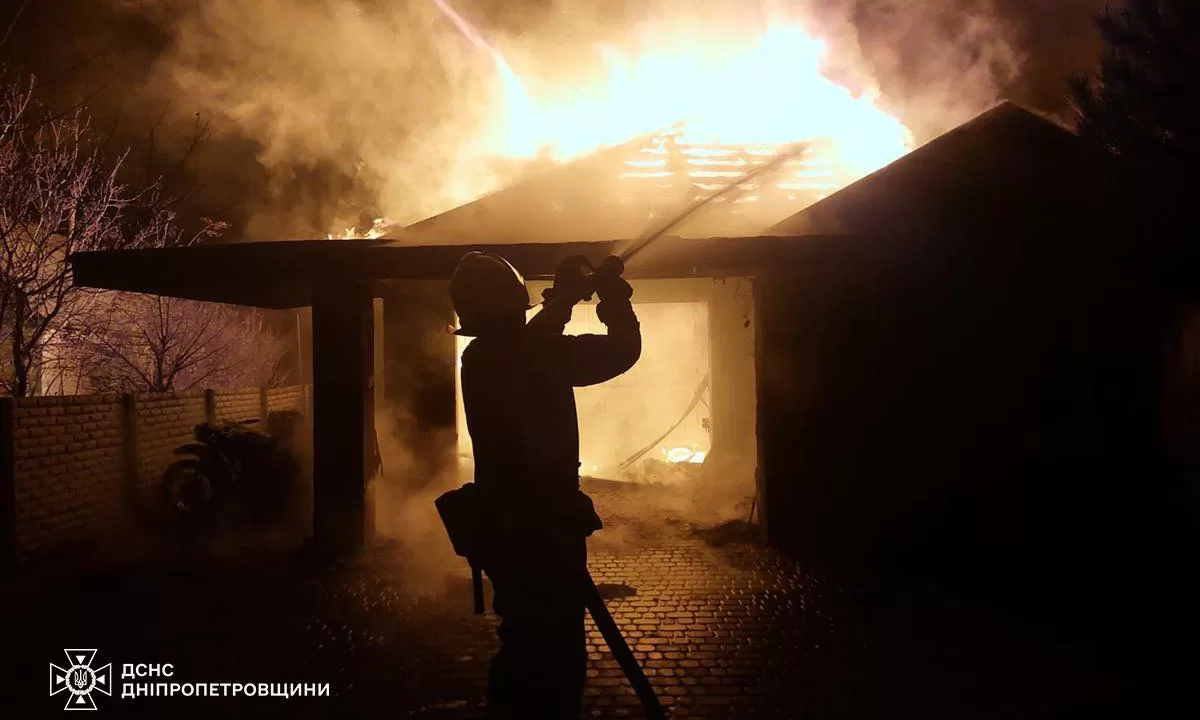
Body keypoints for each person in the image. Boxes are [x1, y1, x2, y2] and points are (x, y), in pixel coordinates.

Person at [450, 251, 641, 719]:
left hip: (510, 528)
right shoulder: (524, 353)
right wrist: (611, 299)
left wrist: (566, 300)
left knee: (525, 644)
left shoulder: (483, 356)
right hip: (542, 529)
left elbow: (530, 346)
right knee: (551, 654)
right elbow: (622, 351)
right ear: (515, 303)